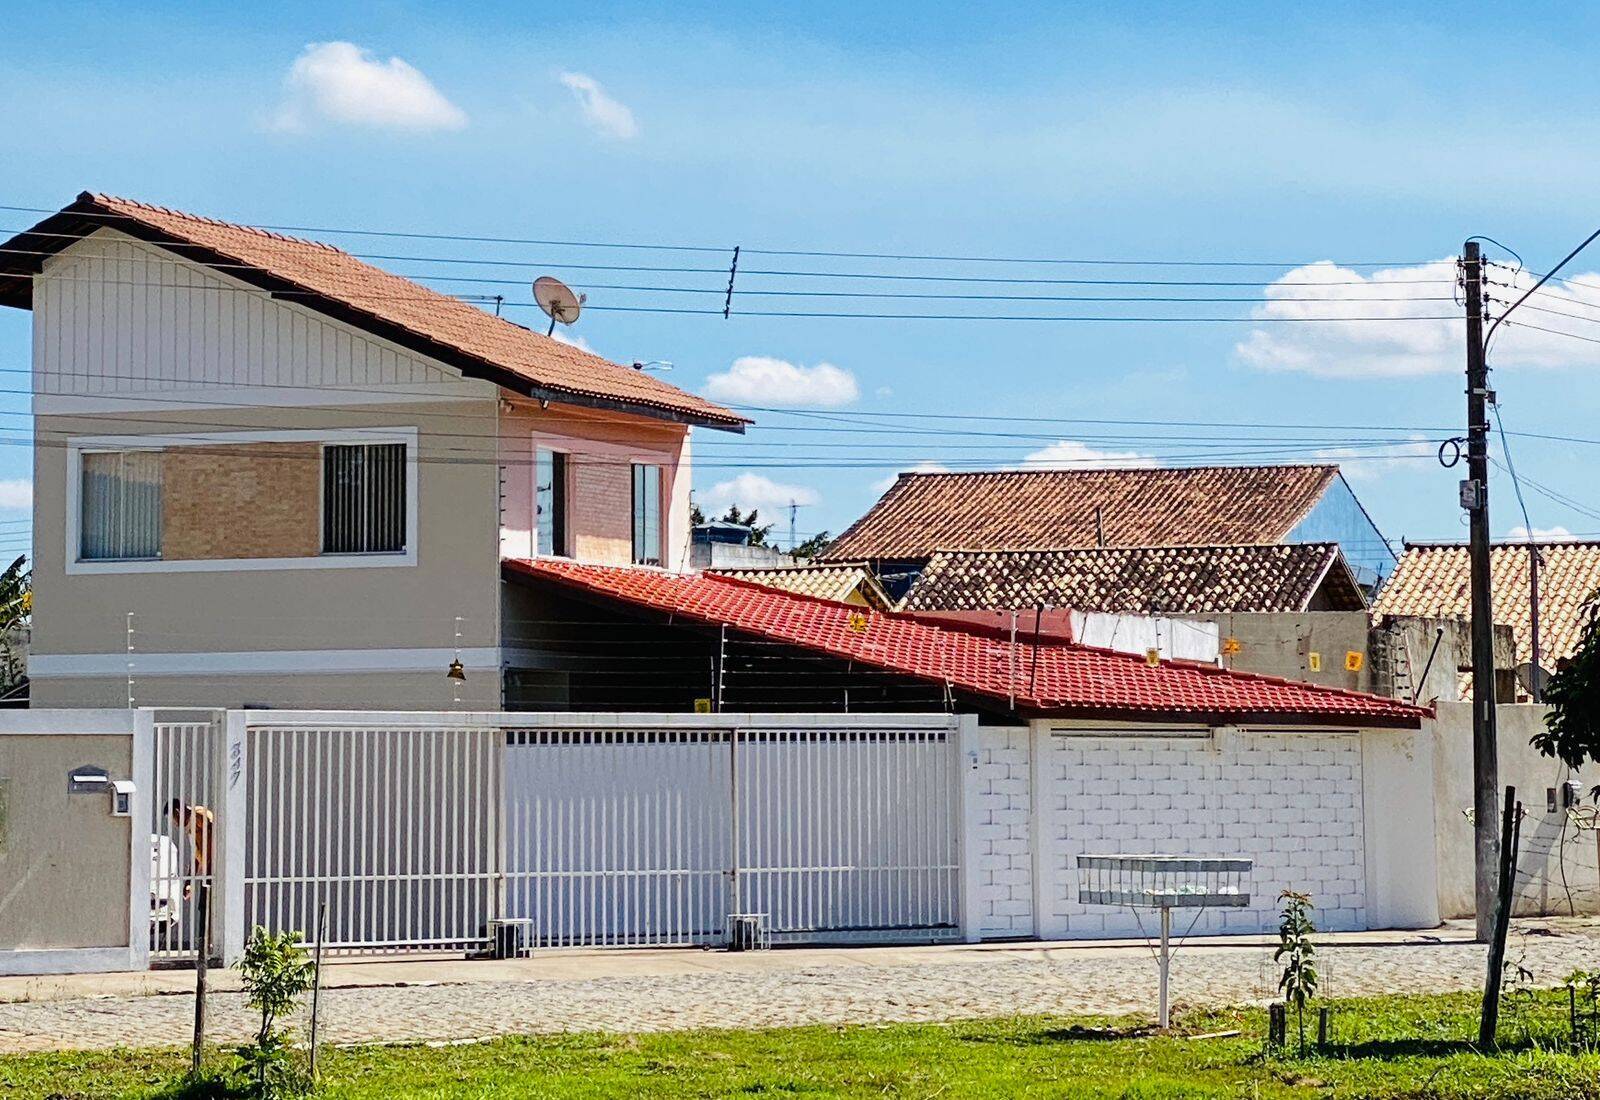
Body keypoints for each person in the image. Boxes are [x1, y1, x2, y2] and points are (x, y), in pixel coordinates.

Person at [164, 798, 215, 899]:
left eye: (173, 819)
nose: (175, 824)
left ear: (177, 812)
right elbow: (197, 854)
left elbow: (211, 845)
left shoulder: (198, 815)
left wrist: (208, 875)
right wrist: (189, 881)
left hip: (213, 873)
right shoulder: (190, 825)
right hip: (208, 874)